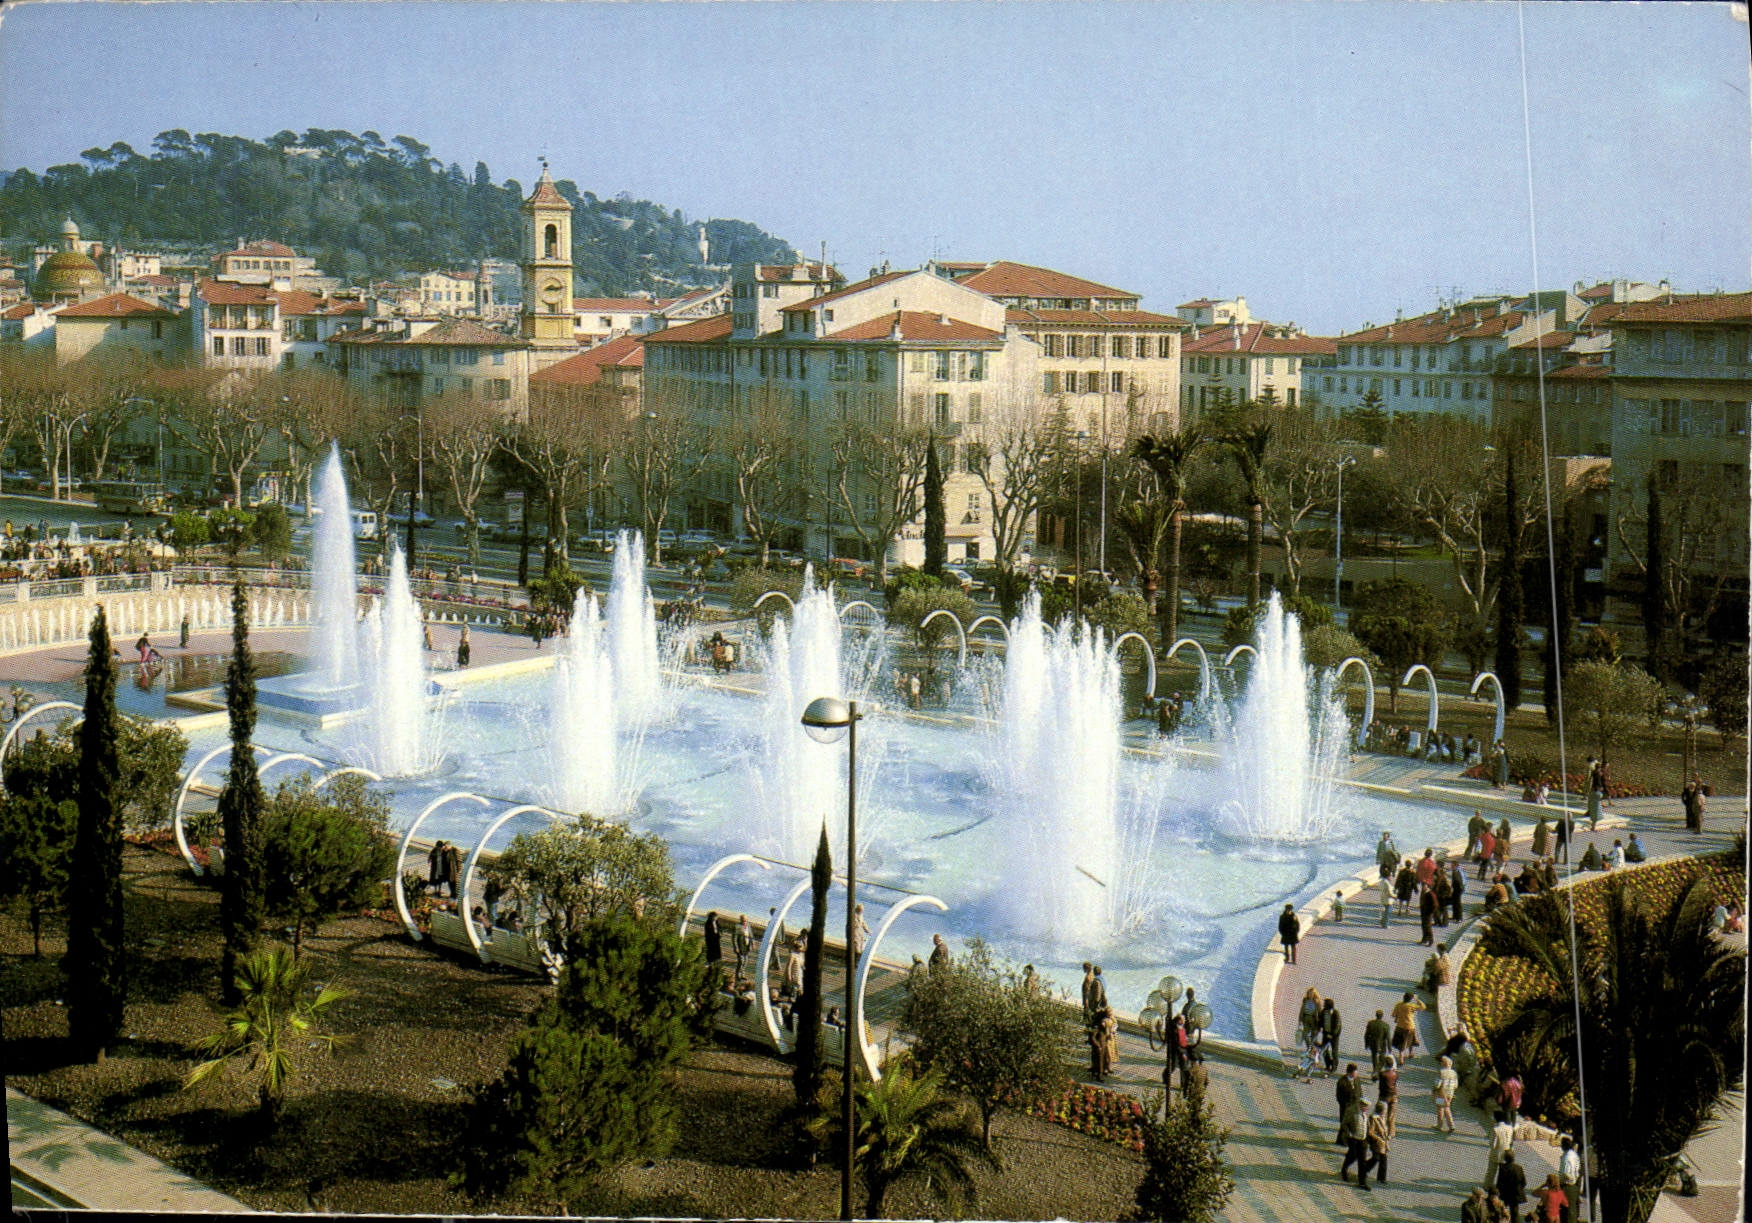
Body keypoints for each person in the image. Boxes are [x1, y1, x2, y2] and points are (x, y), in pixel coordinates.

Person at [1338, 1093, 1374, 1190]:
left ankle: (1362, 1182)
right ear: (1360, 1104)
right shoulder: (1352, 1111)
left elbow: (1367, 1126)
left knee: (1362, 1161)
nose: (1366, 1108)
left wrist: (1367, 1138)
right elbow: (1344, 1124)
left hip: (1362, 1140)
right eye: (1364, 1106)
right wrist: (1348, 1134)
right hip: (1353, 1139)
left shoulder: (1366, 1115)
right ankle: (1344, 1169)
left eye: (1367, 1106)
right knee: (1352, 1156)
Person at [1484, 1110, 1516, 1192]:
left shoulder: (1495, 1129)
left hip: (1496, 1153)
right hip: (1507, 1154)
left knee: (1491, 1171)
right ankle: (1501, 1187)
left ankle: (1487, 1186)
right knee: (1503, 1172)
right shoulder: (1509, 1128)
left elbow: (1493, 1144)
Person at [1391, 991, 1425, 1065]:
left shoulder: (1398, 1005)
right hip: (1410, 1026)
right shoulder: (1412, 1006)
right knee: (1411, 1040)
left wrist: (1399, 1016)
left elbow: (1394, 1014)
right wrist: (1416, 999)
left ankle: (1401, 1059)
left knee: (1401, 1042)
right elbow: (1423, 1007)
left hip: (1400, 1026)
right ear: (1410, 999)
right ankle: (1410, 1053)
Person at [1496, 1150, 1528, 1220]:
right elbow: (1524, 1182)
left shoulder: (1502, 1168)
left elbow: (1499, 1182)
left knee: (1502, 1210)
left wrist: (1499, 1192)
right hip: (1516, 1193)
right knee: (1515, 1213)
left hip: (1505, 1193)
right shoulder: (1519, 1167)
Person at [1366, 1098, 1392, 1183]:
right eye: (1385, 1110)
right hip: (1376, 1142)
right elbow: (1370, 1132)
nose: (1385, 1112)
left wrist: (1388, 1136)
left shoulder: (1383, 1118)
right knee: (1375, 1158)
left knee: (1383, 1160)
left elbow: (1385, 1130)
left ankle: (1381, 1178)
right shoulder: (1374, 1118)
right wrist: (1378, 1138)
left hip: (1383, 1143)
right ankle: (1364, 1169)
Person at [1334, 1062, 1362, 1141]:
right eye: (1355, 1072)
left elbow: (1359, 1091)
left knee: (1353, 1123)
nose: (1356, 1074)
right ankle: (1342, 1140)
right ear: (1349, 1073)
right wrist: (1344, 1104)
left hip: (1355, 1106)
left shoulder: (1357, 1080)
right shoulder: (1342, 1082)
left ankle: (1345, 1139)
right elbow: (1339, 1096)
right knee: (1344, 1123)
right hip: (1346, 1106)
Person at [1558, 1136, 1582, 1223]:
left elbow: (1566, 1173)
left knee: (1567, 1211)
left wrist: (1559, 1182)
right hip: (1574, 1185)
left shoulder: (1567, 1157)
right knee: (1571, 1210)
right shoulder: (1574, 1154)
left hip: (1568, 1185)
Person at [1433, 1055, 1459, 1133]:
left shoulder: (1441, 1072)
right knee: (1447, 1107)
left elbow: (1437, 1084)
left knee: (1440, 1108)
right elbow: (1456, 1085)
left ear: (1443, 1064)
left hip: (1441, 1093)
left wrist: (1434, 1090)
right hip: (1450, 1093)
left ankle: (1440, 1125)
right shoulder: (1454, 1073)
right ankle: (1451, 1125)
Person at [1364, 1009, 1391, 1079]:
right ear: (1382, 1016)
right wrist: (1389, 1048)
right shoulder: (1386, 1025)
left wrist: (1366, 1044)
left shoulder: (1370, 1023)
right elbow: (1388, 1038)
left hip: (1372, 1043)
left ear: (1376, 1015)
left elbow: (1366, 1035)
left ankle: (1375, 1071)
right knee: (1382, 1060)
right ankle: (1376, 1071)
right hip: (1382, 1045)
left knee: (1374, 1058)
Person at [1319, 998, 1343, 1073]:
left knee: (1334, 1052)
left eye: (1325, 1004)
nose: (1323, 1005)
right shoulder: (1323, 1012)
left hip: (1334, 1036)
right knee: (1324, 1050)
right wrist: (1319, 1028)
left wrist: (1333, 1035)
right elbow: (1320, 1021)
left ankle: (1334, 1067)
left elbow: (1337, 1025)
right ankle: (1328, 1064)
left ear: (1329, 1006)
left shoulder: (1335, 1013)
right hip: (1326, 1033)